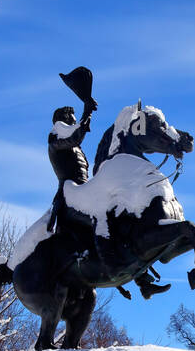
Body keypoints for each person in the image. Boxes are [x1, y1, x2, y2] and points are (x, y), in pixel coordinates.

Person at [47, 73, 169, 301]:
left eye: (73, 119)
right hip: (70, 193)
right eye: (70, 119)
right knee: (102, 216)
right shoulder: (55, 137)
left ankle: (142, 280)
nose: (73, 122)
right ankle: (113, 267)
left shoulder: (69, 140)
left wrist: (86, 114)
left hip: (85, 190)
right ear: (61, 121)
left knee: (120, 213)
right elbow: (75, 137)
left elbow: (78, 135)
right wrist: (86, 111)